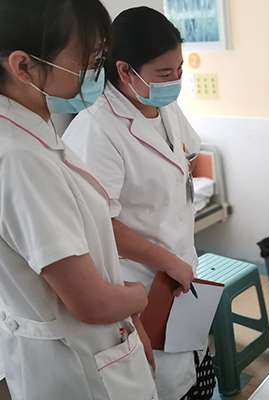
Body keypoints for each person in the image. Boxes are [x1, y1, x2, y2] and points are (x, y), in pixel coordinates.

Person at [0, 0, 158, 399]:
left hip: (94, 341)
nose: (96, 72)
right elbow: (91, 304)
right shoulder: (20, 158)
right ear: (24, 67)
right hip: (80, 364)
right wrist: (139, 298)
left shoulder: (32, 132)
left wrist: (127, 313)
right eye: (88, 61)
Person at [63, 7, 214, 400]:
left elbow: (184, 157)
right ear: (125, 71)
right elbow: (99, 222)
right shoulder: (96, 129)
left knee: (194, 368)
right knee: (161, 381)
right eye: (164, 74)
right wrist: (166, 260)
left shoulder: (164, 105)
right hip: (138, 282)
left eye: (179, 69)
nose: (175, 81)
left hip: (180, 269)